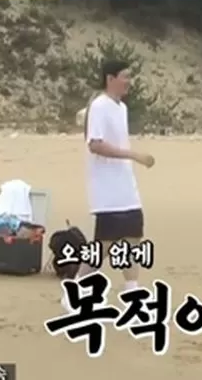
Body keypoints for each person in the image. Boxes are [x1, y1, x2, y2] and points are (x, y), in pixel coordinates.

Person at [61, 59, 155, 312]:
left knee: (133, 237)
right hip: (106, 188)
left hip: (126, 186)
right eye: (124, 76)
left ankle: (132, 293)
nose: (128, 82)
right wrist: (133, 155)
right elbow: (95, 144)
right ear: (110, 79)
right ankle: (74, 290)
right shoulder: (99, 106)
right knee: (104, 244)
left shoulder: (121, 108)